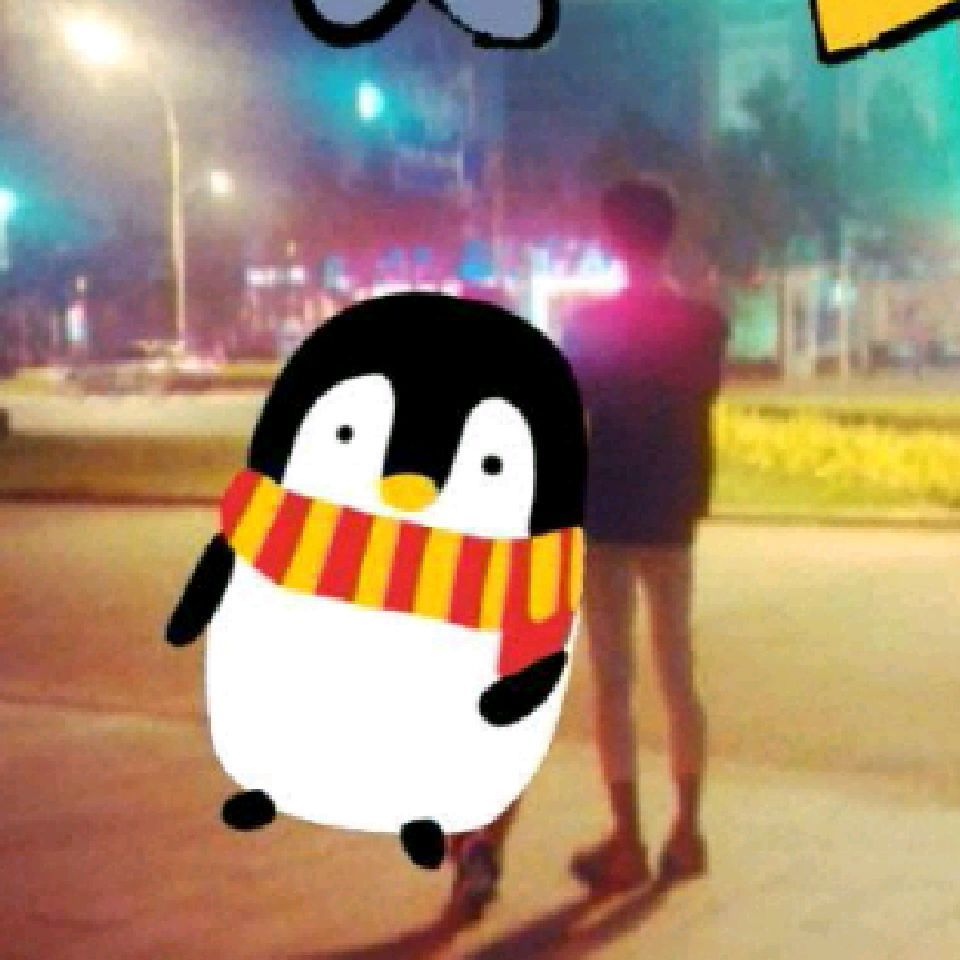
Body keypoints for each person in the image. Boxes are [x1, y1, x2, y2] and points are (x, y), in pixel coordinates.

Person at [444, 176, 726, 918]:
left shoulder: (591, 325)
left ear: (611, 238)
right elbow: (699, 403)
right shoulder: (705, 323)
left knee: (615, 682)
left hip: (606, 510)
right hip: (674, 510)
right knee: (678, 674)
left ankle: (627, 839)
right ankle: (688, 831)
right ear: (669, 234)